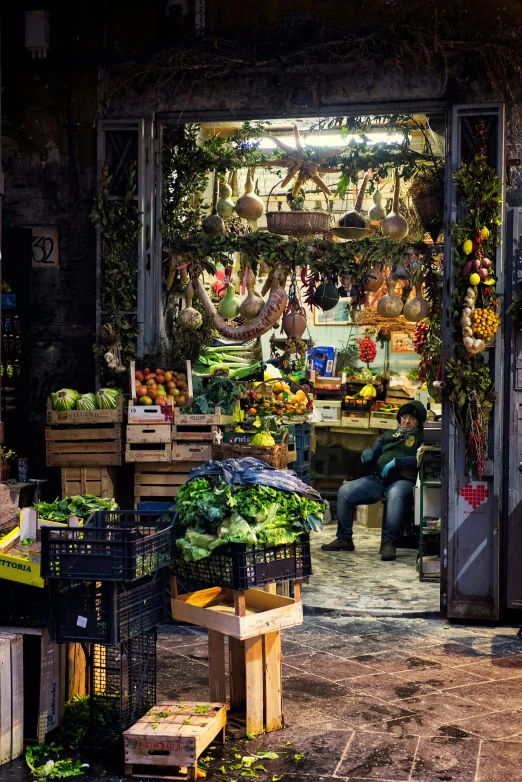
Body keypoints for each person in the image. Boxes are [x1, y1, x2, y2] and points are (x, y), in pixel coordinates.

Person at [321, 400, 427, 562]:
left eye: (412, 419)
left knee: (395, 496)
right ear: (399, 418)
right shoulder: (389, 435)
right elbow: (373, 454)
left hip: (402, 480)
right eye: (404, 417)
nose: (406, 421)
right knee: (345, 491)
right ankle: (344, 538)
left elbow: (421, 457)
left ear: (418, 422)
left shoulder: (421, 437)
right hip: (379, 479)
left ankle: (389, 542)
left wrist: (398, 462)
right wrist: (366, 457)